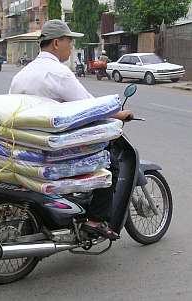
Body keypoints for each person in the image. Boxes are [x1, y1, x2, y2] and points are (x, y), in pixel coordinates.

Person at [9, 19, 133, 240]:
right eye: (69, 42)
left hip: (26, 146)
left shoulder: (22, 75)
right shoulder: (59, 73)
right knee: (108, 166)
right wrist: (120, 114)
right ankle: (95, 221)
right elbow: (90, 107)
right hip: (54, 149)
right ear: (57, 43)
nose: (71, 47)